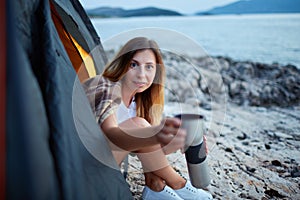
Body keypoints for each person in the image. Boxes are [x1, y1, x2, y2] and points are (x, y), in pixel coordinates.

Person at [83, 37, 213, 200]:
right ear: (122, 63)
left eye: (149, 67)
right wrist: (155, 134)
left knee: (144, 128)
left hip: (107, 169)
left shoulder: (137, 104)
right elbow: (110, 134)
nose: (142, 75)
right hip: (82, 172)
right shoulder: (104, 86)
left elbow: (148, 151)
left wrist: (181, 140)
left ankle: (155, 188)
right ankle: (179, 184)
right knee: (140, 126)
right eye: (134, 64)